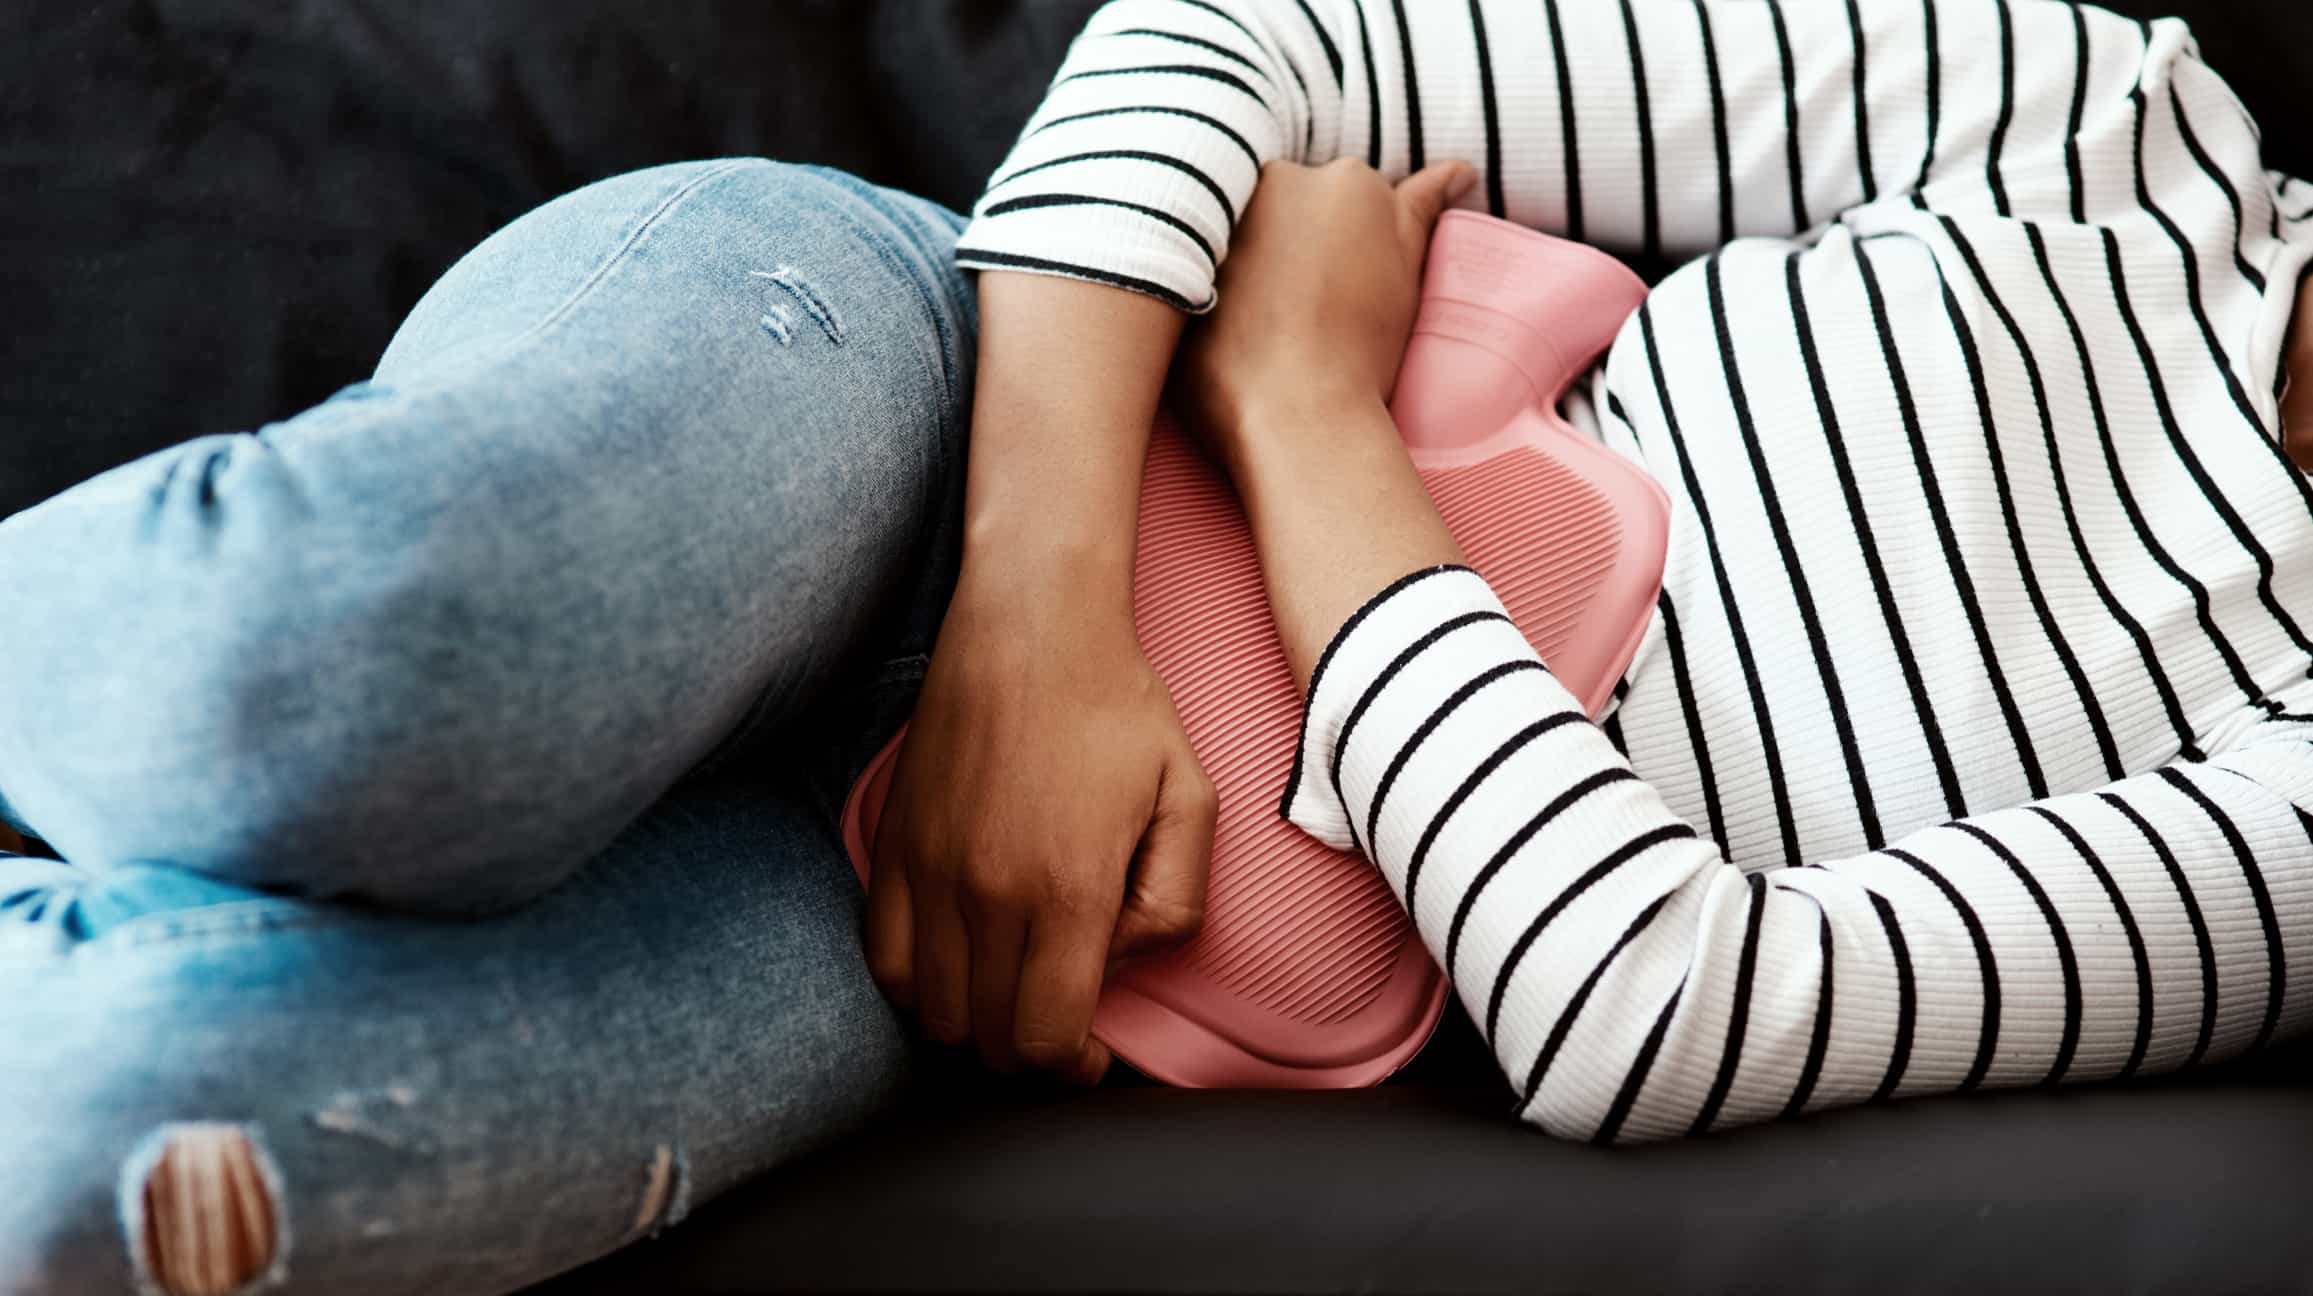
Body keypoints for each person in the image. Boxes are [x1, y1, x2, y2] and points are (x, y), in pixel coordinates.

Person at [4, 0, 2310, 1291]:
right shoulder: (2097, 130)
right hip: (912, 403)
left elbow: (1659, 1008)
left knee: (124, 1149)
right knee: (288, 675)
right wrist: (1027, 631)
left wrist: (1308, 416)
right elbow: (1233, 45)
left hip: (1005, 963)